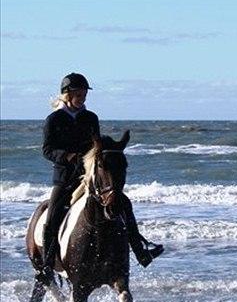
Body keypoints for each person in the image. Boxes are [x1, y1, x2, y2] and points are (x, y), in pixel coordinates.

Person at [39, 72, 163, 283]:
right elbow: (47, 149)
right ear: (67, 95)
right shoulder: (54, 119)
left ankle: (141, 251)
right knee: (52, 217)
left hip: (91, 177)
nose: (82, 97)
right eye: (78, 93)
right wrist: (67, 156)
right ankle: (46, 266)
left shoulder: (91, 118)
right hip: (66, 177)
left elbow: (97, 147)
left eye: (84, 93)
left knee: (123, 203)